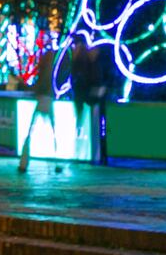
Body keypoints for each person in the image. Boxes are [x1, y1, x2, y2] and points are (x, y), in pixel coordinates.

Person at [68, 34, 108, 163]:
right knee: (91, 124)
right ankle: (93, 154)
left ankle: (91, 154)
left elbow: (81, 77)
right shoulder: (89, 60)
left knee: (91, 123)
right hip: (89, 95)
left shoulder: (83, 58)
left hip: (87, 95)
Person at [22, 42, 59, 172]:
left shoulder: (46, 69)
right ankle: (54, 162)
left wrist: (33, 89)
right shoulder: (55, 65)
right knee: (50, 129)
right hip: (48, 97)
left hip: (44, 97)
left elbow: (42, 83)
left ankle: (25, 161)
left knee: (33, 129)